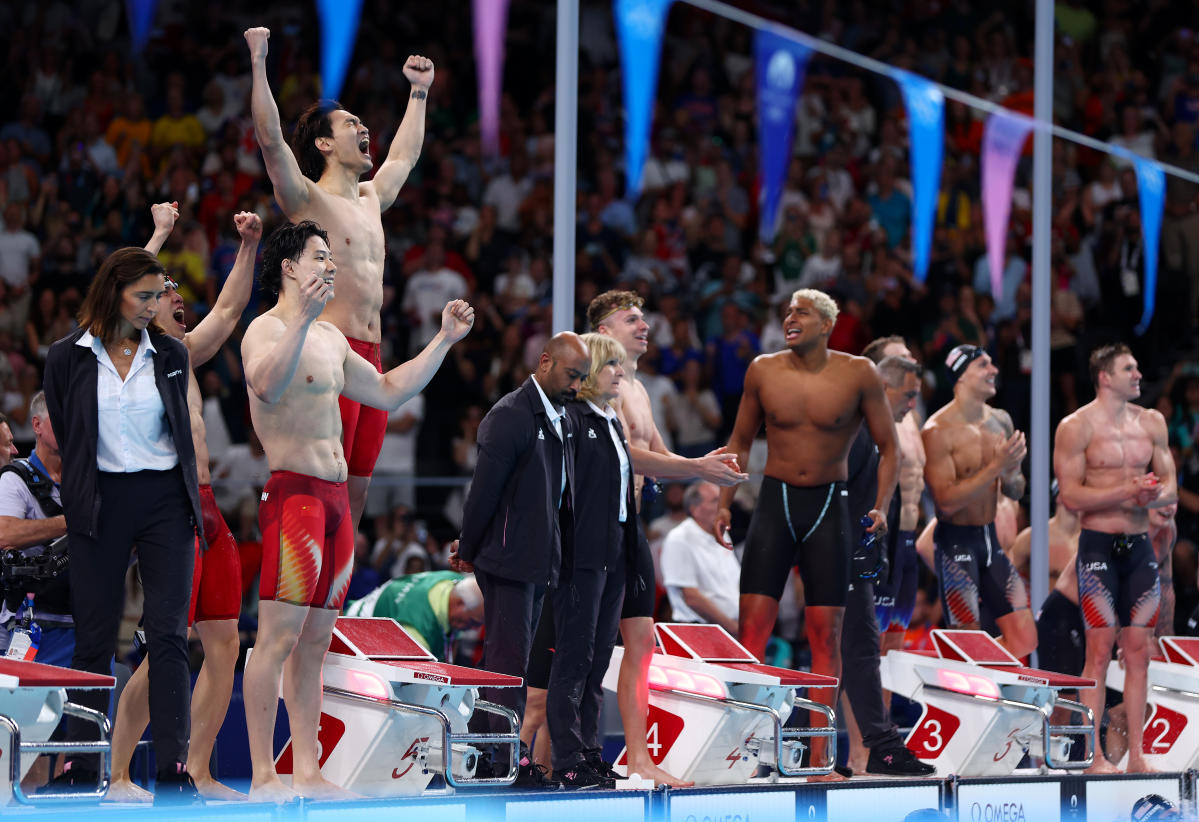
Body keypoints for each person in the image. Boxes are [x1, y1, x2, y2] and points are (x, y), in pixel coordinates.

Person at [240, 220, 473, 802]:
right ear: (290, 266)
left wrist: (442, 340)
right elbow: (266, 387)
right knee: (276, 641)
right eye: (321, 256)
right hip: (294, 497)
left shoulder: (333, 339)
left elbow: (390, 392)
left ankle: (308, 771)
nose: (331, 267)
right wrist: (299, 320)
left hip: (338, 504)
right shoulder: (264, 331)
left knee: (317, 643)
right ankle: (264, 776)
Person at [246, 26, 434, 534]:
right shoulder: (308, 199)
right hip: (328, 352)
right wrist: (259, 60)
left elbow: (405, 156)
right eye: (351, 123)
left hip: (372, 356)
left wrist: (418, 93)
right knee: (320, 488)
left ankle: (331, 606)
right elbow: (269, 139)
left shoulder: (372, 199)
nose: (363, 127)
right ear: (325, 142)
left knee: (355, 497)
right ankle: (296, 602)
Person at [106, 207, 262, 803]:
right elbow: (119, 295)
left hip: (210, 508)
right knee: (163, 644)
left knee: (226, 643)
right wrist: (161, 236)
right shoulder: (130, 360)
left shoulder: (183, 356)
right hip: (169, 507)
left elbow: (229, 308)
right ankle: (118, 775)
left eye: (173, 289)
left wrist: (248, 246)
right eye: (165, 290)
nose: (177, 297)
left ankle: (196, 771)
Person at [716, 288, 899, 779]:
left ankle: (821, 757)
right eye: (788, 310)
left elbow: (890, 448)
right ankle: (743, 751)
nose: (789, 316)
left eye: (802, 311)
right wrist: (723, 504)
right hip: (775, 503)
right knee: (752, 629)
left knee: (826, 636)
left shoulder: (859, 373)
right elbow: (738, 440)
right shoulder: (763, 369)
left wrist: (880, 507)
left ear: (826, 324)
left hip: (828, 508)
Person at [43, 246, 202, 802]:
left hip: (164, 501)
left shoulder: (172, 353)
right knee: (94, 640)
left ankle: (174, 770)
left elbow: (178, 433)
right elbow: (67, 430)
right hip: (101, 500)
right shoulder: (66, 357)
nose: (153, 305)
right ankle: (84, 767)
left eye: (158, 295)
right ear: (113, 292)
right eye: (144, 295)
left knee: (167, 637)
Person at [588, 289, 747, 787]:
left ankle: (638, 760)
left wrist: (706, 465)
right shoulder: (600, 381)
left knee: (643, 641)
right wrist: (695, 467)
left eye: (645, 319)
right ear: (603, 330)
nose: (644, 326)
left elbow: (658, 454)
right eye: (632, 319)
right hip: (594, 528)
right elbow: (624, 455)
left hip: (630, 525)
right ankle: (574, 755)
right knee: (588, 648)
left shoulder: (639, 388)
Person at [450, 332, 590, 789]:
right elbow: (482, 493)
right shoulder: (510, 415)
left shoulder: (559, 419)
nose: (577, 386)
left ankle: (501, 754)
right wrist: (468, 548)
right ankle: (498, 760)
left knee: (514, 664)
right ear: (545, 362)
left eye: (583, 378)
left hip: (537, 560)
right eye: (572, 375)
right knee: (506, 664)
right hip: (508, 559)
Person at [1054, 343, 1175, 774]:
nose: (1139, 373)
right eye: (1130, 368)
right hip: (1099, 547)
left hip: (1139, 546)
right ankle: (1094, 757)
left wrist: (1161, 499)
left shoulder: (1152, 422)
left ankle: (1137, 757)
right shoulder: (1076, 426)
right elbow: (1070, 496)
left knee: (1139, 652)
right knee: (1099, 652)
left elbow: (1170, 484)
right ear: (1105, 376)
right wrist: (1125, 492)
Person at [546, 332, 639, 787]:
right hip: (582, 557)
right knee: (575, 658)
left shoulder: (611, 420)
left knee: (599, 659)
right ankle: (567, 758)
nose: (620, 372)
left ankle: (589, 751)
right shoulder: (573, 419)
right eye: (612, 365)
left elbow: (623, 499)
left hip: (615, 554)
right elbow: (563, 495)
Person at [839, 355, 935, 777]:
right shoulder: (855, 427)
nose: (914, 403)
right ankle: (844, 754)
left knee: (873, 650)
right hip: (848, 545)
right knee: (847, 650)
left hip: (882, 546)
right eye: (909, 393)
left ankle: (879, 746)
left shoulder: (889, 431)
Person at [921, 345, 1036, 657]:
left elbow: (1014, 491)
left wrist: (1012, 471)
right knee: (966, 637)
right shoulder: (937, 430)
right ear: (961, 376)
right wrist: (996, 466)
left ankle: (962, 663)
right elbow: (945, 503)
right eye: (983, 365)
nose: (994, 370)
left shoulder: (1001, 420)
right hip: (955, 543)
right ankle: (959, 668)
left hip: (990, 541)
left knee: (1025, 637)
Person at [0, 391, 68, 793]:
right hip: (28, 627)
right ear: (39, 426)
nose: (10, 450)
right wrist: (68, 522)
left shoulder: (86, 477)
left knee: (71, 746)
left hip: (82, 623)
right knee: (25, 743)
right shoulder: (16, 479)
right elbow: (5, 534)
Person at [861, 336, 925, 655]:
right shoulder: (872, 418)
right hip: (883, 536)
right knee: (870, 643)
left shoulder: (910, 414)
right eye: (900, 358)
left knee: (895, 645)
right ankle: (853, 707)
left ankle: (882, 709)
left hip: (909, 538)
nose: (909, 361)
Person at [345, 571, 483, 661]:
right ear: (459, 604)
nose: (476, 629)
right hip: (351, 636)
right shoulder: (416, 632)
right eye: (474, 622)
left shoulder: (453, 580)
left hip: (372, 605)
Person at [660, 481, 741, 634]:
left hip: (731, 629)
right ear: (695, 509)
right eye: (715, 501)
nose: (723, 507)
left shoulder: (723, 533)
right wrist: (733, 628)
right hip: (698, 630)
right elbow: (691, 597)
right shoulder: (679, 538)